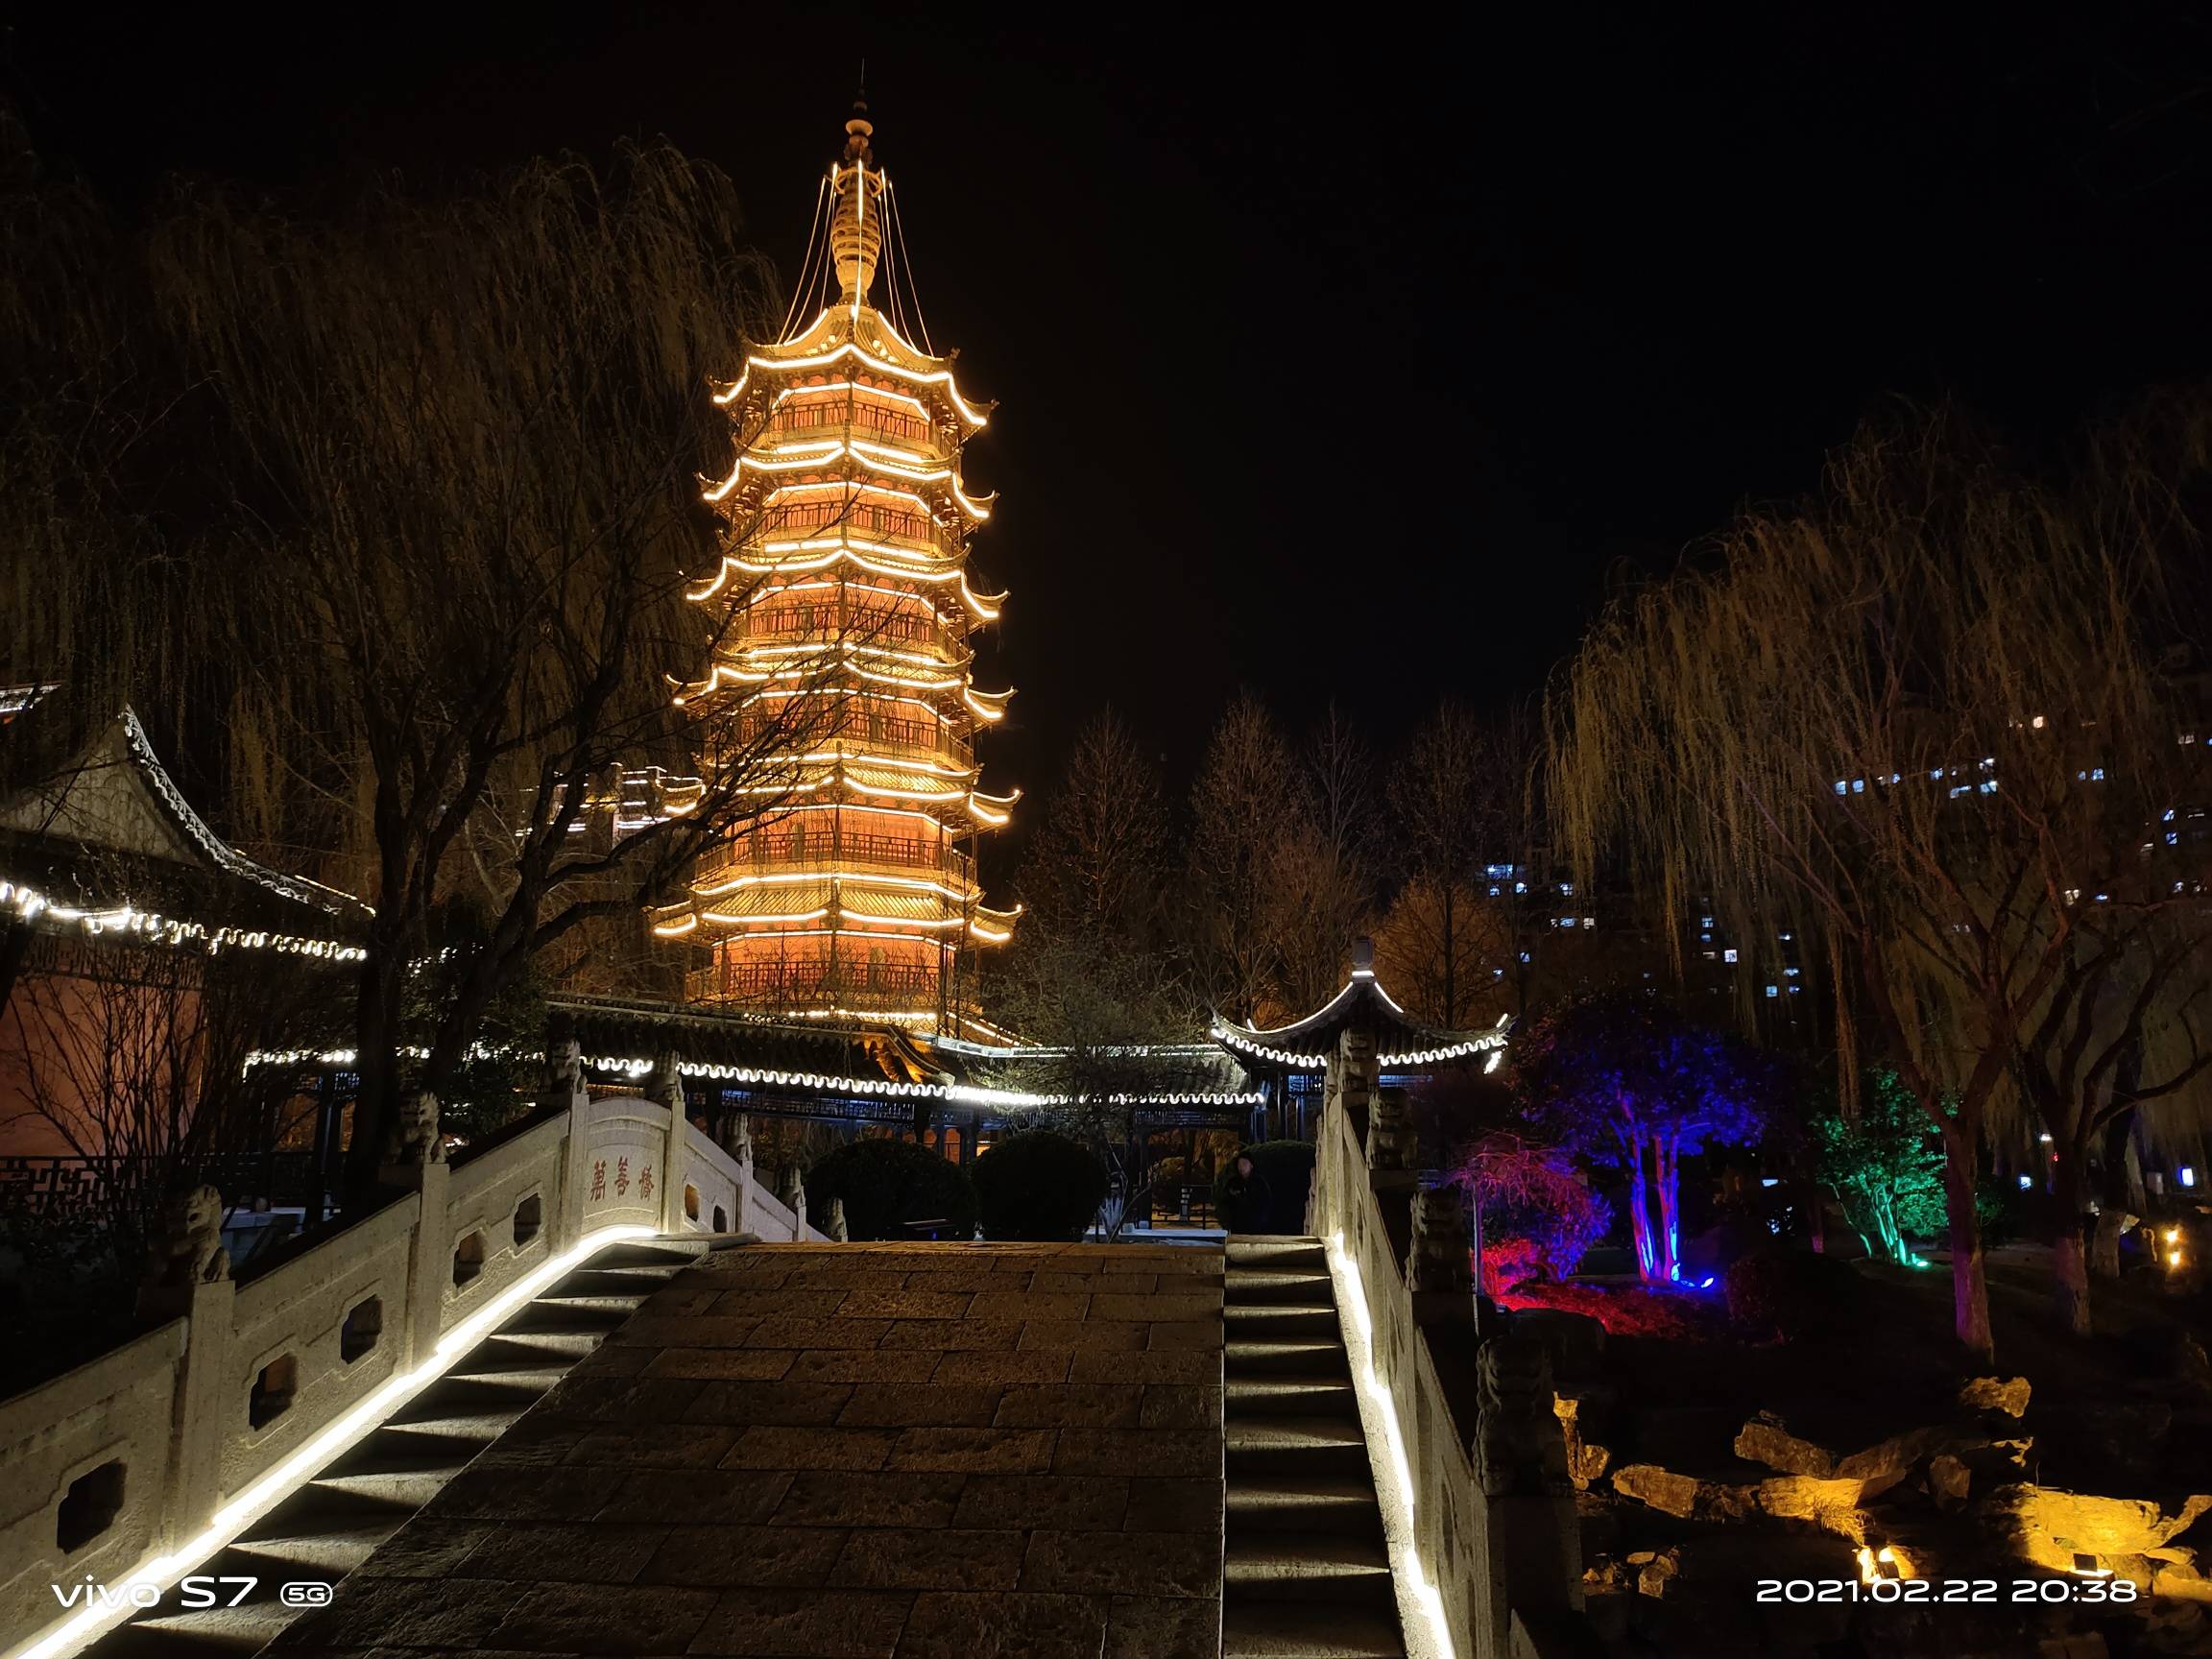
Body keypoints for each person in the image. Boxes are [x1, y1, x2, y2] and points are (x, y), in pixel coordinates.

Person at [1220, 1154, 1272, 1235]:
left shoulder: (1259, 1182)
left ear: (1251, 1165)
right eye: (1239, 1164)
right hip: (1237, 1226)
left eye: (1244, 1164)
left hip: (1256, 1225)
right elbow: (1225, 1201)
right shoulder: (1233, 1182)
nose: (1241, 1167)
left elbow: (1264, 1203)